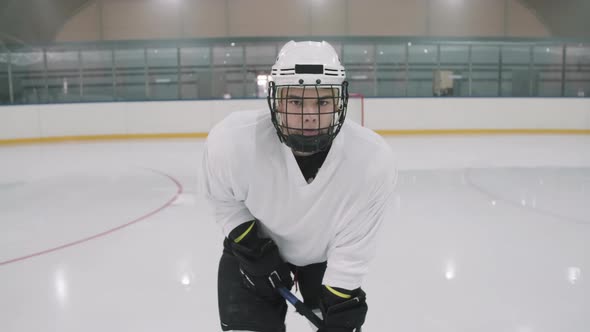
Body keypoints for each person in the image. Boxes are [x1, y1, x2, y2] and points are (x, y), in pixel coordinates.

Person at [201, 40, 397, 332]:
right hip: (254, 250)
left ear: (339, 102)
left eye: (322, 102)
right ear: (276, 101)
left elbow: (355, 242)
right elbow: (223, 199)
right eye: (295, 101)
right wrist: (252, 247)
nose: (309, 114)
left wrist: (340, 297)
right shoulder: (232, 142)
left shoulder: (371, 160)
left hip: (325, 258)